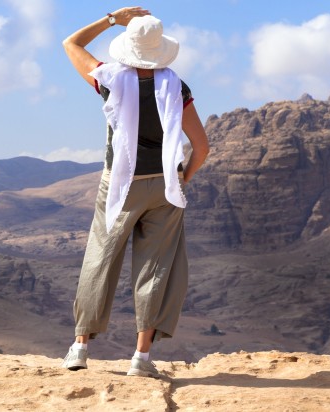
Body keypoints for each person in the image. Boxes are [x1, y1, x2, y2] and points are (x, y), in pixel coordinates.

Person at [60, 7, 209, 377]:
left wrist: (112, 19)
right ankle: (141, 359)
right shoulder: (177, 87)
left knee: (100, 258)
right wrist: (181, 179)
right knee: (155, 267)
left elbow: (71, 43)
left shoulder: (110, 79)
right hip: (165, 186)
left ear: (128, 48)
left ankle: (80, 348)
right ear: (160, 50)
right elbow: (201, 147)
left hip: (120, 185)